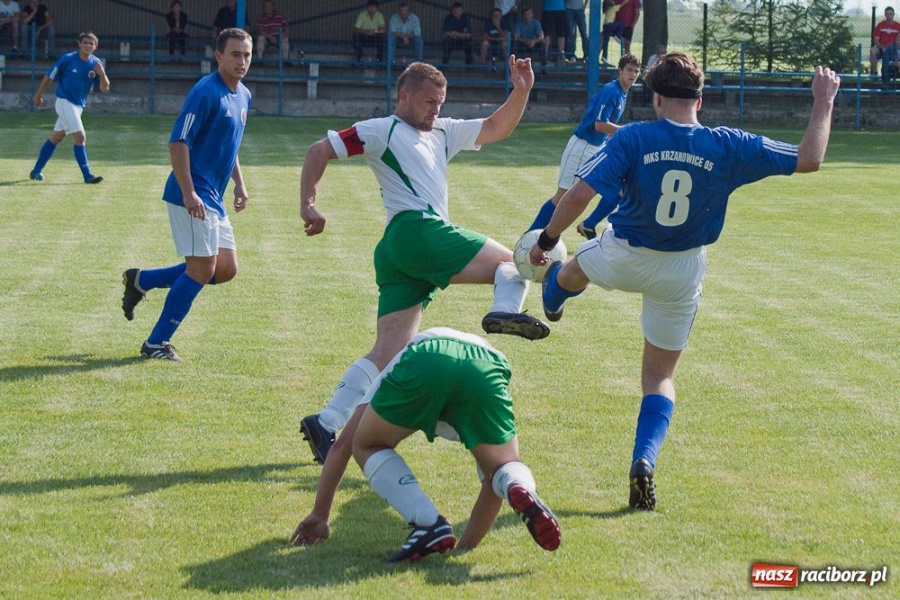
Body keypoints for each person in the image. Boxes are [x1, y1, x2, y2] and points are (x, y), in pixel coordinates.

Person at [529, 53, 840, 511]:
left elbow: (580, 194)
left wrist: (547, 237)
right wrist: (823, 101)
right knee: (659, 377)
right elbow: (810, 159)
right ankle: (644, 461)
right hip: (682, 269)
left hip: (626, 255)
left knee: (572, 268)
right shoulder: (728, 144)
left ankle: (553, 301)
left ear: (655, 97)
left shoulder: (635, 137)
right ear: (701, 98)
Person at [297, 58, 550, 465]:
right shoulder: (382, 129)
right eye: (430, 102)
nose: (436, 110)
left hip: (399, 252)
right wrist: (309, 203)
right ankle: (504, 312)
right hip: (417, 232)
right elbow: (319, 150)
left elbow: (495, 127)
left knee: (388, 350)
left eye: (441, 102)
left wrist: (520, 90)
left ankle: (326, 422)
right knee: (512, 263)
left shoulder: (444, 132)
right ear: (404, 96)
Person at [290, 327, 561, 563]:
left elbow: (343, 446)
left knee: (367, 445)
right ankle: (519, 485)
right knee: (501, 471)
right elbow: (491, 491)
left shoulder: (393, 367)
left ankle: (427, 522)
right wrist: (464, 547)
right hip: (487, 365)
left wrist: (319, 516)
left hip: (429, 353)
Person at [120, 28, 253, 362]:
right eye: (235, 54)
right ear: (218, 55)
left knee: (225, 269)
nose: (242, 61)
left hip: (213, 196)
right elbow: (178, 141)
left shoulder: (243, 95)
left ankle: (142, 280)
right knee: (200, 270)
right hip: (192, 194)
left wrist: (239, 182)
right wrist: (189, 191)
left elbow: (229, 145)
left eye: (247, 55)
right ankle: (155, 344)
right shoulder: (205, 93)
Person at [525, 54, 640, 236]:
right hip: (583, 146)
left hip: (597, 148)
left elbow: (605, 126)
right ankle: (529, 237)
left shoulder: (622, 92)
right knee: (562, 196)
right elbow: (598, 124)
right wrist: (624, 131)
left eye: (636, 70)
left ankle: (589, 224)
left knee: (620, 190)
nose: (633, 74)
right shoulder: (612, 91)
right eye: (629, 70)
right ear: (620, 70)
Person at [28, 32, 109, 184]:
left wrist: (103, 74)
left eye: (91, 43)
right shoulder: (67, 59)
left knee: (57, 137)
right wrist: (38, 95)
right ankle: (87, 176)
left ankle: (36, 171)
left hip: (78, 106)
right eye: (85, 42)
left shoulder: (96, 63)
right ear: (79, 44)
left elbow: (104, 88)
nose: (88, 45)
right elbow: (49, 76)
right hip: (64, 102)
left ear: (95, 47)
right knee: (80, 136)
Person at [870, 6, 900, 77]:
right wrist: (883, 48)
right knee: (873, 51)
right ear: (885, 15)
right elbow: (875, 40)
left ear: (893, 15)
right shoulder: (880, 25)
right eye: (887, 14)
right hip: (882, 48)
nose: (889, 16)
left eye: (890, 14)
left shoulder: (898, 26)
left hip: (894, 49)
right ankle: (874, 73)